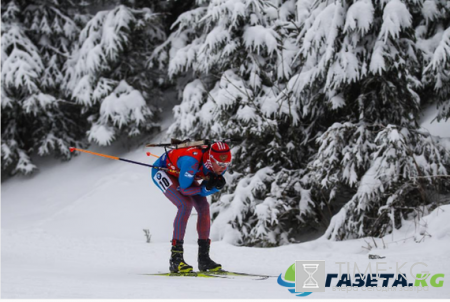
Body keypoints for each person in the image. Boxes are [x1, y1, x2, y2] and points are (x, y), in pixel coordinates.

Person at [151, 141, 232, 273]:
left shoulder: (219, 164)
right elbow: (184, 190)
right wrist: (206, 188)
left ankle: (204, 259)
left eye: (227, 164)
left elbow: (201, 189)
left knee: (204, 207)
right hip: (163, 171)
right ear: (211, 159)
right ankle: (176, 259)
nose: (224, 167)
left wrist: (209, 188)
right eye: (221, 164)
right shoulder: (191, 162)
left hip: (182, 174)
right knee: (185, 205)